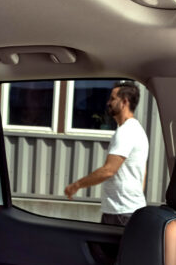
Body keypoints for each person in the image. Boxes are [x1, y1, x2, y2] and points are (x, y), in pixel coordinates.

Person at [64, 81, 149, 225]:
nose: (108, 102)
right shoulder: (137, 130)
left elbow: (108, 170)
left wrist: (76, 185)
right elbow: (143, 172)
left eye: (112, 99)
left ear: (124, 102)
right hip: (127, 210)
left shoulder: (126, 132)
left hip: (121, 212)